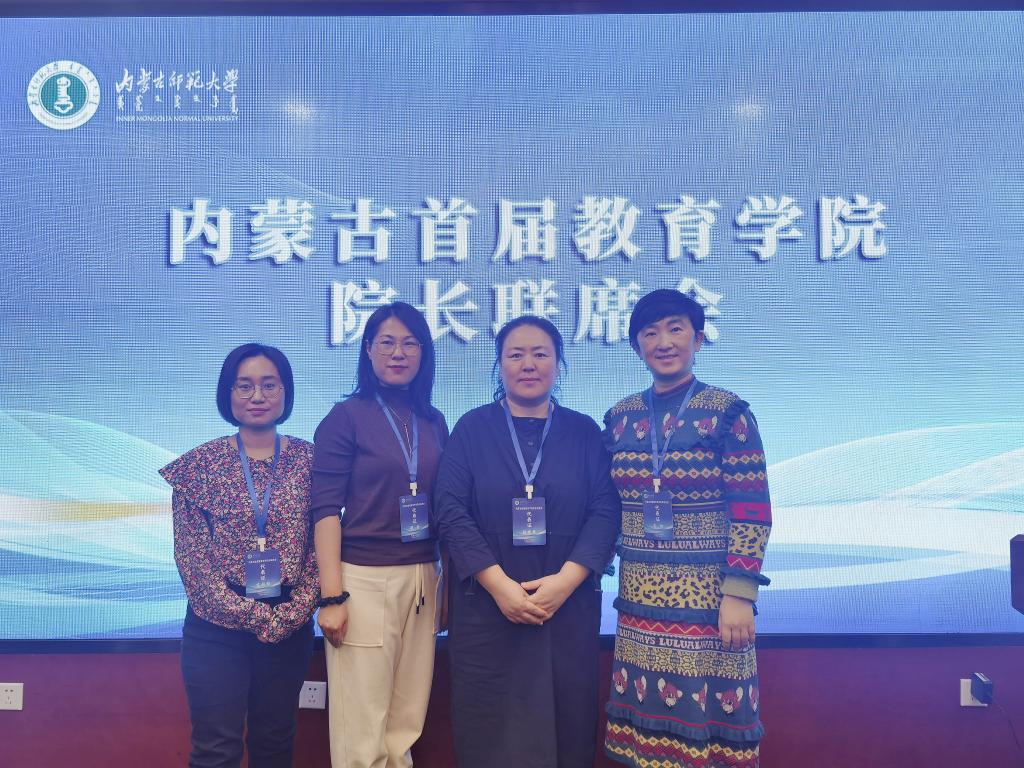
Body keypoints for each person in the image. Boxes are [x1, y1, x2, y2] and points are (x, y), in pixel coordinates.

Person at [434, 315, 621, 768]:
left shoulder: (583, 432)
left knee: (567, 724)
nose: (528, 364)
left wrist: (565, 583)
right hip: (486, 607)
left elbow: (605, 511)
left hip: (566, 608)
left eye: (540, 353)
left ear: (559, 363)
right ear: (499, 365)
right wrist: (501, 588)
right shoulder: (471, 429)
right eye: (516, 355)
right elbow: (450, 510)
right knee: (490, 729)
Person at [602, 289, 772, 768]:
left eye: (676, 329)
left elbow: (753, 508)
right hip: (639, 604)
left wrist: (739, 593)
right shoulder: (619, 419)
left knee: (708, 733)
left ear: (697, 339)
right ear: (637, 346)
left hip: (711, 604)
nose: (664, 342)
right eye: (650, 332)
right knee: (645, 735)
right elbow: (607, 507)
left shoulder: (728, 413)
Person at [159, 343, 318, 768]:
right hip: (216, 629)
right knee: (216, 750)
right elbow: (192, 560)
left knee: (275, 746)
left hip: (289, 624)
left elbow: (320, 549)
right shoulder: (199, 465)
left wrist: (292, 612)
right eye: (244, 386)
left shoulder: (312, 462)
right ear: (227, 393)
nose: (257, 396)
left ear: (285, 392)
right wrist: (257, 617)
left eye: (269, 385)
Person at [311, 302, 448, 768]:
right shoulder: (346, 416)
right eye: (387, 342)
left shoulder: (434, 420)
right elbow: (325, 510)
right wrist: (332, 597)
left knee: (404, 722)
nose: (398, 353)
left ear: (424, 353)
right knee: (362, 726)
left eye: (410, 343)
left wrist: (445, 584)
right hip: (363, 580)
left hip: (423, 577)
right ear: (368, 350)